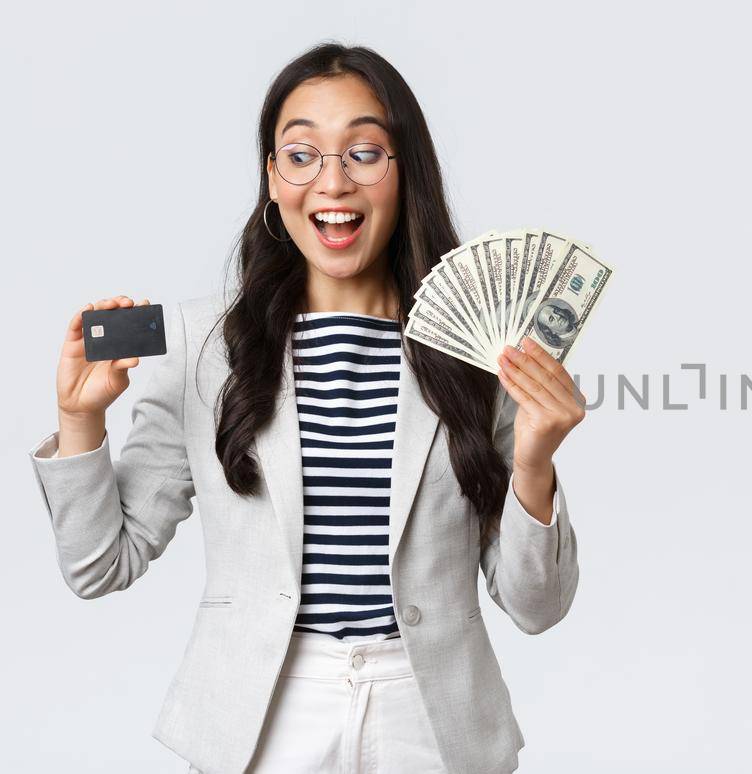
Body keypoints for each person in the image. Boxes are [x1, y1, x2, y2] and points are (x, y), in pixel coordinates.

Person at [29, 42, 584, 774]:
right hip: (262, 721)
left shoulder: (476, 352)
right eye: (301, 154)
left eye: (363, 151)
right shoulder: (203, 345)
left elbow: (535, 606)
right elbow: (101, 566)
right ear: (272, 177)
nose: (333, 180)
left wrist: (536, 463)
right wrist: (81, 424)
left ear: (404, 171)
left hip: (433, 722)